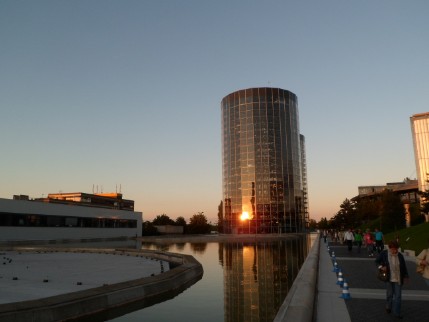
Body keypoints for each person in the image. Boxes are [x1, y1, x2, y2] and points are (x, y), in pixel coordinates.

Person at [375, 240, 409, 319]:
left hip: (398, 279)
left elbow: (404, 266)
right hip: (388, 278)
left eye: (396, 249)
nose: (395, 251)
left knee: (398, 297)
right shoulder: (384, 254)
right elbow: (377, 261)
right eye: (393, 249)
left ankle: (397, 313)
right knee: (390, 295)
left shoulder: (400, 255)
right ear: (389, 248)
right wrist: (381, 267)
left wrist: (406, 276)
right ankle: (388, 306)